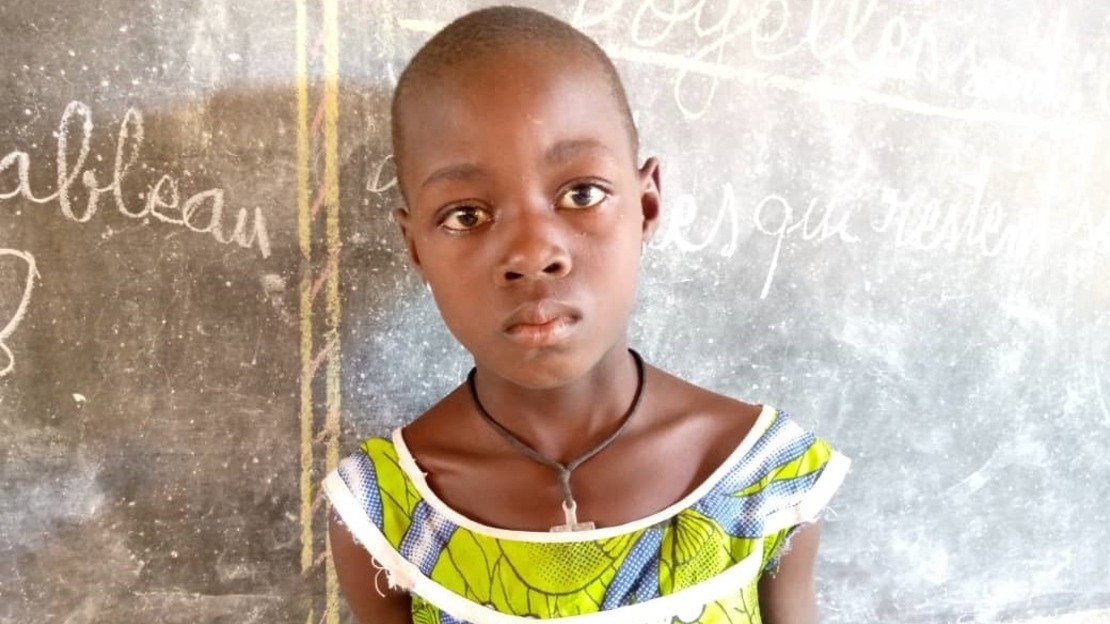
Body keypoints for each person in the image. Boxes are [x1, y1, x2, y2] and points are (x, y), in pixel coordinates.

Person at [323, 6, 850, 623]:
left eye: (581, 194)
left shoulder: (765, 478)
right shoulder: (386, 513)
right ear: (416, 248)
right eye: (466, 215)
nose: (532, 254)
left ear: (647, 205)